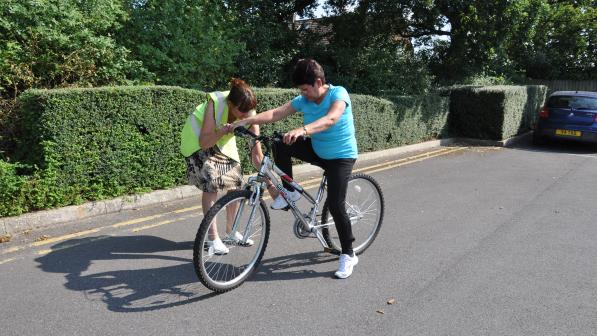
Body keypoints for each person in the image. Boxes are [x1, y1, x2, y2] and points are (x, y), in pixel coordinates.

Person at [232, 59, 359, 279]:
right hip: (319, 150)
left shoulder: (339, 94)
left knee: (337, 205)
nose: (303, 94)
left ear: (319, 82)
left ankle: (348, 254)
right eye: (301, 90)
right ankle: (289, 190)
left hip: (341, 157)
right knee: (280, 141)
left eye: (305, 89)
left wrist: (303, 129)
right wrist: (241, 122)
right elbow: (275, 113)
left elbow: (331, 119)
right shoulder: (304, 99)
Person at [180, 78, 268, 255]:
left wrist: (270, 182)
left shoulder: (249, 110)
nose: (245, 117)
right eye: (240, 113)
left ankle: (231, 231)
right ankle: (213, 239)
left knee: (236, 182)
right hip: (198, 140)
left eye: (248, 113)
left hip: (222, 143)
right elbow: (205, 142)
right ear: (230, 104)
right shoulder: (216, 102)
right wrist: (222, 130)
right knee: (211, 181)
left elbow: (256, 154)